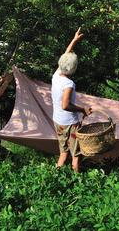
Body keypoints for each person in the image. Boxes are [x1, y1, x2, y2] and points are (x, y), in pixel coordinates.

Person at [52, 27, 93, 172]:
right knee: (76, 154)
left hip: (58, 121)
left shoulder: (57, 75)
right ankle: (78, 182)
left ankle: (55, 177)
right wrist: (82, 109)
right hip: (70, 123)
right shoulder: (68, 84)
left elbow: (65, 55)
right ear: (74, 68)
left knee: (63, 153)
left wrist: (74, 40)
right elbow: (65, 105)